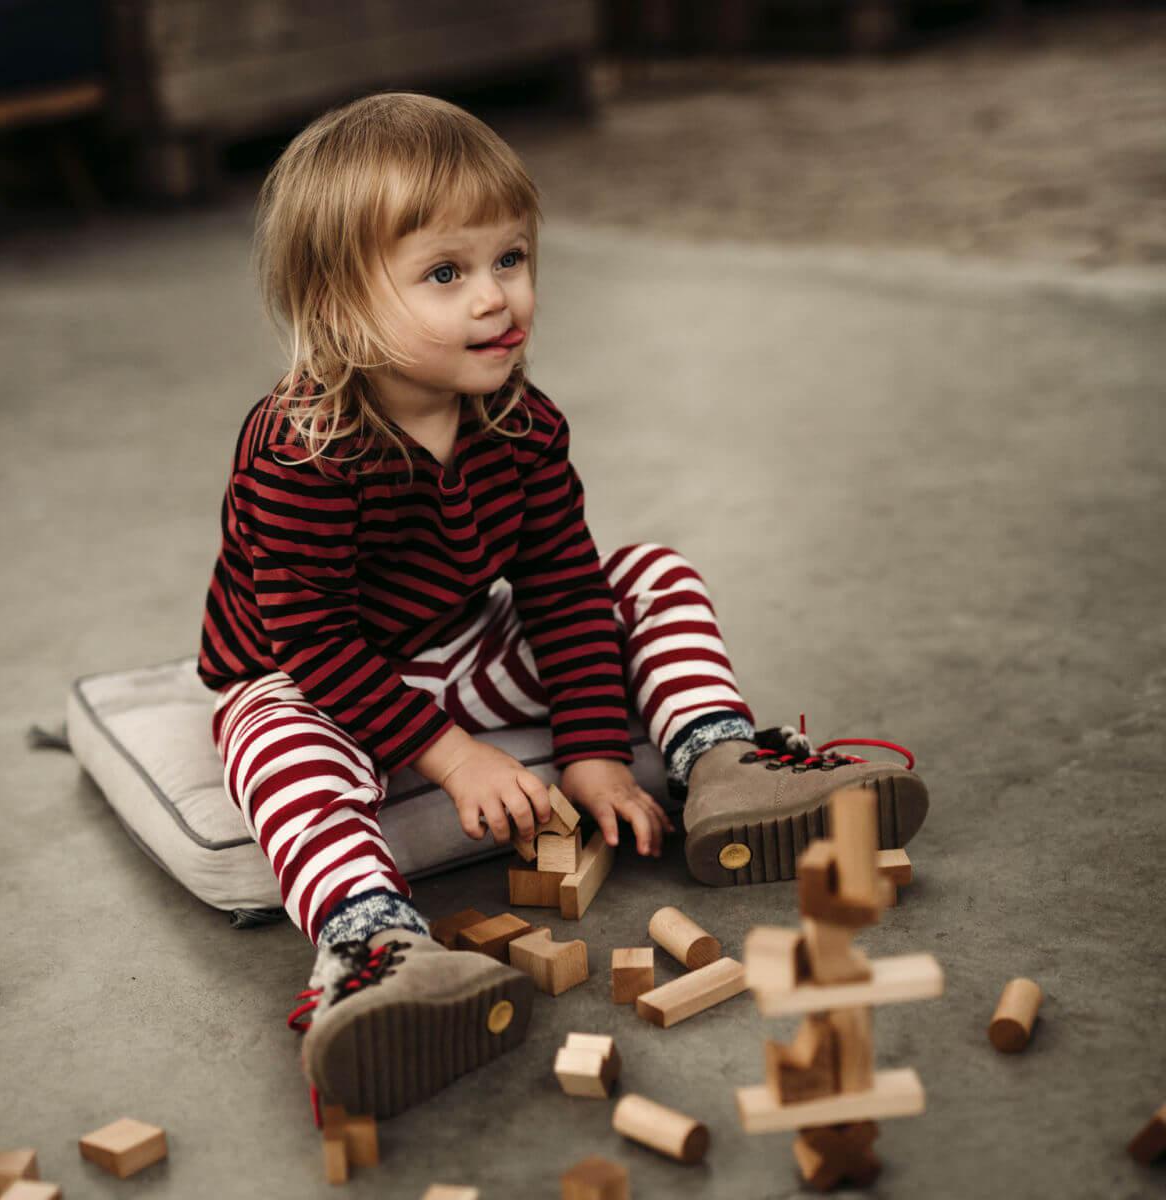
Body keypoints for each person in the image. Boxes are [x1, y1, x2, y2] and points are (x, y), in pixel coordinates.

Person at [196, 92, 928, 1120]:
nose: (498, 297)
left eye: (512, 258)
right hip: (306, 670)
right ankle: (374, 943)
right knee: (274, 735)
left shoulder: (522, 422)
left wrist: (588, 747)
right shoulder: (300, 451)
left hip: (455, 642)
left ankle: (715, 758)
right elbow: (310, 639)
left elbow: (562, 587)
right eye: (446, 273)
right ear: (336, 307)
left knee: (648, 568)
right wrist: (450, 755)